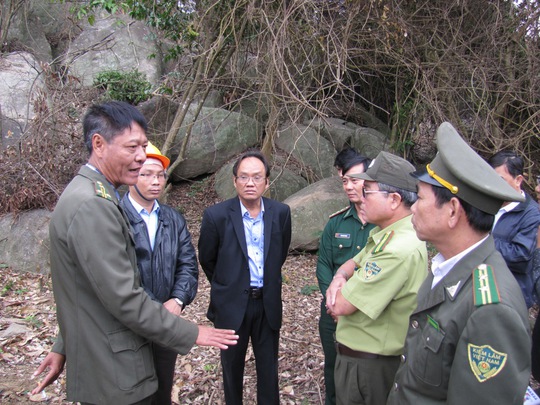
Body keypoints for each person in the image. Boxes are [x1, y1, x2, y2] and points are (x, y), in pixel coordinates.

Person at [31, 101, 238, 404]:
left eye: (143, 146)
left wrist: (62, 346)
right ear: (98, 144)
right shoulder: (93, 205)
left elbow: (87, 286)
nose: (142, 157)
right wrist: (190, 332)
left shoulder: (93, 194)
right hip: (116, 367)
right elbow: (122, 295)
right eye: (132, 147)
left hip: (125, 351)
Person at [387, 122, 531, 404]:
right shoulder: (447, 267)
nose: (412, 207)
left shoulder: (491, 310)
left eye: (420, 197)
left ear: (452, 211)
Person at [325, 151, 428, 405]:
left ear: (393, 200)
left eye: (368, 191)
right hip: (362, 361)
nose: (361, 197)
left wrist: (338, 289)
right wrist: (340, 276)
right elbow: (350, 264)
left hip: (369, 368)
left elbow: (339, 305)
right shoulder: (388, 235)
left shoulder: (395, 249)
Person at [198, 149, 292, 405]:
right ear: (234, 180)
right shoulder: (216, 216)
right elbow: (208, 260)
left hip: (267, 303)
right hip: (231, 306)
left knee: (268, 370)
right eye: (244, 177)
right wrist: (228, 285)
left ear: (267, 181)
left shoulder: (280, 212)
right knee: (231, 370)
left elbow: (279, 255)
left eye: (257, 177)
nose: (250, 183)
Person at [120, 141, 199, 405]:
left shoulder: (173, 218)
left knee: (162, 390)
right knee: (133, 394)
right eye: (146, 174)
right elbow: (120, 276)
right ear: (132, 176)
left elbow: (188, 264)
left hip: (167, 323)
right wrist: (156, 311)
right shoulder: (116, 216)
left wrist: (177, 300)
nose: (156, 181)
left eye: (160, 175)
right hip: (129, 325)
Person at [316, 149, 374, 405]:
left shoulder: (384, 224)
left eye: (356, 180)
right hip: (333, 313)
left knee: (368, 374)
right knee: (334, 368)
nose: (350, 187)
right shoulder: (336, 223)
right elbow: (323, 267)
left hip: (370, 312)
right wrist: (333, 304)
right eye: (345, 181)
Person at [487, 150, 540, 308]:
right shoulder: (487, 205)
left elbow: (521, 255)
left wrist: (480, 241)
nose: (494, 185)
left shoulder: (532, 214)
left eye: (500, 180)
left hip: (511, 297)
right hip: (483, 287)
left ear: (518, 180)